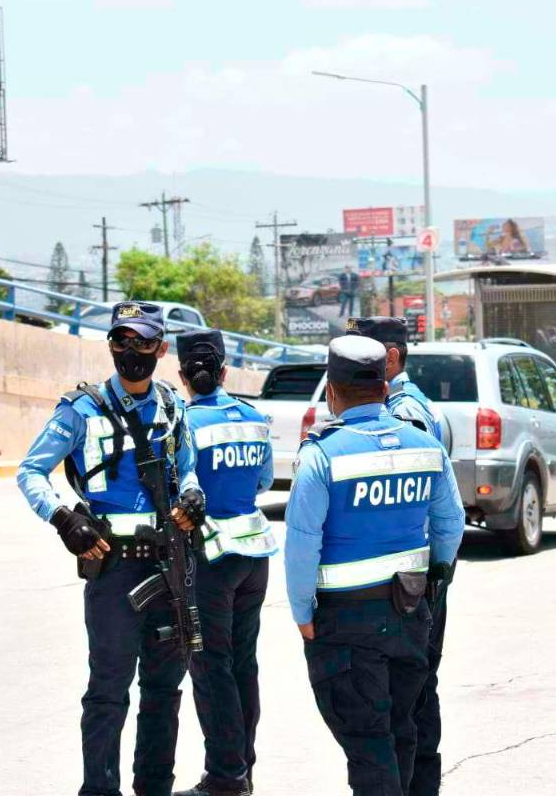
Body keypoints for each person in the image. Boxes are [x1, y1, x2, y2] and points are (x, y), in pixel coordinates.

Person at [17, 301, 206, 796]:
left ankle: (154, 787)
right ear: (111, 346)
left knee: (164, 691)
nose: (131, 351)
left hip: (169, 564)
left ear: (161, 349)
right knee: (107, 692)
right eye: (121, 341)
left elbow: (187, 468)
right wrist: (62, 518)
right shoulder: (81, 409)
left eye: (143, 342)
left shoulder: (173, 406)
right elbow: (30, 471)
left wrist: (193, 495)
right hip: (114, 568)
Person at [284, 335, 465, 796]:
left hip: (344, 624)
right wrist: (435, 583)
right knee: (401, 730)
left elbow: (302, 545)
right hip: (410, 613)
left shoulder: (322, 455)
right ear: (385, 388)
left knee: (368, 744)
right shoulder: (426, 447)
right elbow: (450, 526)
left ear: (332, 392)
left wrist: (302, 613)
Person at [348, 316, 451, 796]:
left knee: (411, 702)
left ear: (390, 358)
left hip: (411, 581)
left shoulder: (406, 412)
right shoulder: (405, 405)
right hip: (409, 579)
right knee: (407, 699)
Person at [172, 330, 276, 796]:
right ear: (225, 372)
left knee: (211, 667)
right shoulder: (256, 418)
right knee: (242, 664)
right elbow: (264, 481)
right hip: (254, 553)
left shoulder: (185, 421)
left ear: (181, 375)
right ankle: (244, 769)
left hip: (209, 555)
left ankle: (225, 777)